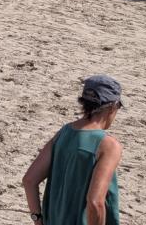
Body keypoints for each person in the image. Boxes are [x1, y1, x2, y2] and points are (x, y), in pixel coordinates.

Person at [22, 75, 124, 225]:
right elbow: (95, 202)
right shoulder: (108, 146)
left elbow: (29, 180)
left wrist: (37, 219)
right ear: (112, 107)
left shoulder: (64, 133)